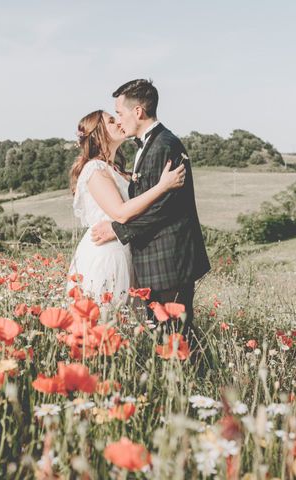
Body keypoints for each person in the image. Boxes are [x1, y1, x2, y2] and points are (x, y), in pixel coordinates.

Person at [90, 79, 211, 346]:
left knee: (175, 340)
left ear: (138, 112)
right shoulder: (149, 145)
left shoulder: (164, 145)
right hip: (155, 262)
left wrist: (117, 229)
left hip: (169, 261)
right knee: (165, 337)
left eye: (119, 113)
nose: (119, 120)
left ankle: (187, 385)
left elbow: (164, 206)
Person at [67, 109, 186, 304]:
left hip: (123, 248)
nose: (120, 123)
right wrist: (163, 186)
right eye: (112, 121)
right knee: (105, 316)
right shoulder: (94, 169)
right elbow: (121, 213)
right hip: (106, 252)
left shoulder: (114, 169)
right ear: (99, 133)